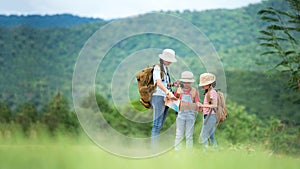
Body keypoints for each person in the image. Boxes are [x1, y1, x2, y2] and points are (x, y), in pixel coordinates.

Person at [151, 49, 177, 148]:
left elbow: (164, 83)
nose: (170, 62)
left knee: (160, 124)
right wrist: (168, 92)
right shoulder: (157, 68)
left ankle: (156, 146)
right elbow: (158, 82)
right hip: (158, 96)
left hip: (166, 97)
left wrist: (172, 85)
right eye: (168, 59)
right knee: (156, 124)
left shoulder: (165, 68)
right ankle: (154, 149)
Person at [174, 71, 200, 151]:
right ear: (182, 82)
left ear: (191, 83)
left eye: (189, 82)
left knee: (189, 135)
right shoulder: (179, 90)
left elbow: (197, 101)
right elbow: (175, 101)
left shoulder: (194, 91)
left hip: (191, 116)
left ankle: (189, 152)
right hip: (180, 115)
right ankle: (177, 152)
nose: (187, 84)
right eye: (185, 82)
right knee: (179, 134)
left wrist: (200, 105)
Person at [198, 72, 218, 151]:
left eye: (205, 84)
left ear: (210, 84)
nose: (203, 86)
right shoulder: (208, 93)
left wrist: (202, 106)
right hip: (208, 115)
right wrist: (202, 109)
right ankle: (216, 150)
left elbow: (214, 105)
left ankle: (205, 151)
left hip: (210, 116)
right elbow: (209, 106)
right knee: (211, 135)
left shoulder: (212, 92)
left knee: (203, 135)